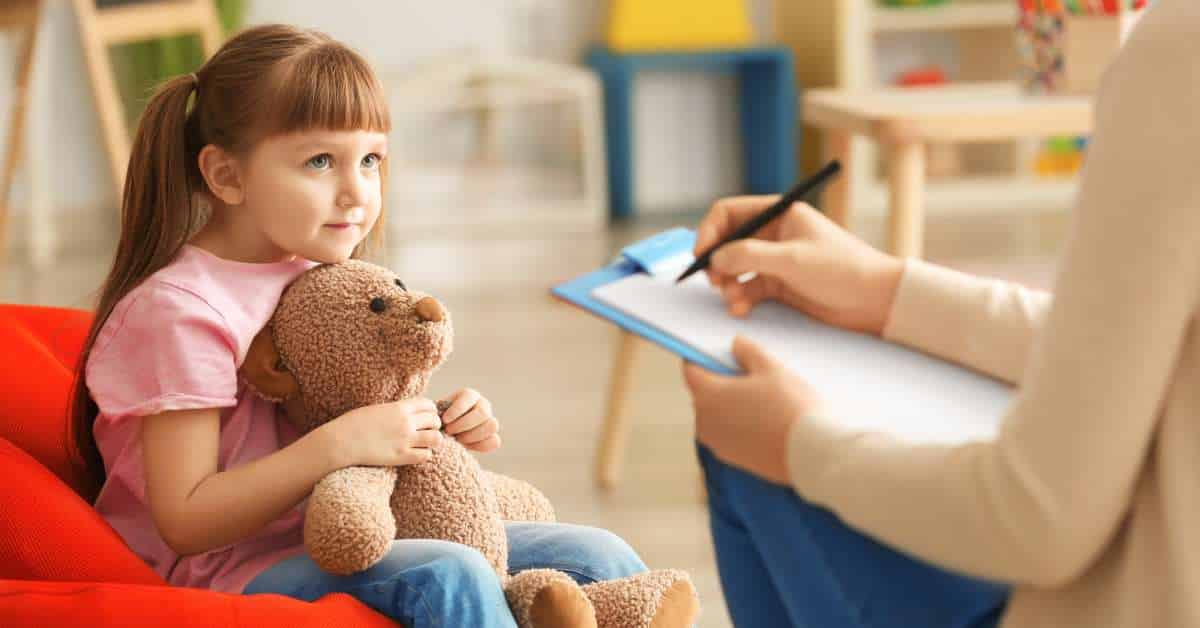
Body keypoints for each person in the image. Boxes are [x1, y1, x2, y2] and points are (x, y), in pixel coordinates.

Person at [71, 24, 646, 628]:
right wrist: (343, 444)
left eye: (370, 159)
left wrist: (438, 419)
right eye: (320, 161)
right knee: (449, 573)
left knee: (594, 555)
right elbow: (186, 521)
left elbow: (345, 399)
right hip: (228, 568)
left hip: (347, 528)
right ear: (226, 176)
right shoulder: (182, 312)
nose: (357, 193)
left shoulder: (313, 269)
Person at [681, 1, 1200, 626]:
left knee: (742, 440)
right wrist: (887, 291)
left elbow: (1038, 518)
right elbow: (1144, 346)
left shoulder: (1178, 55)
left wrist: (800, 446)